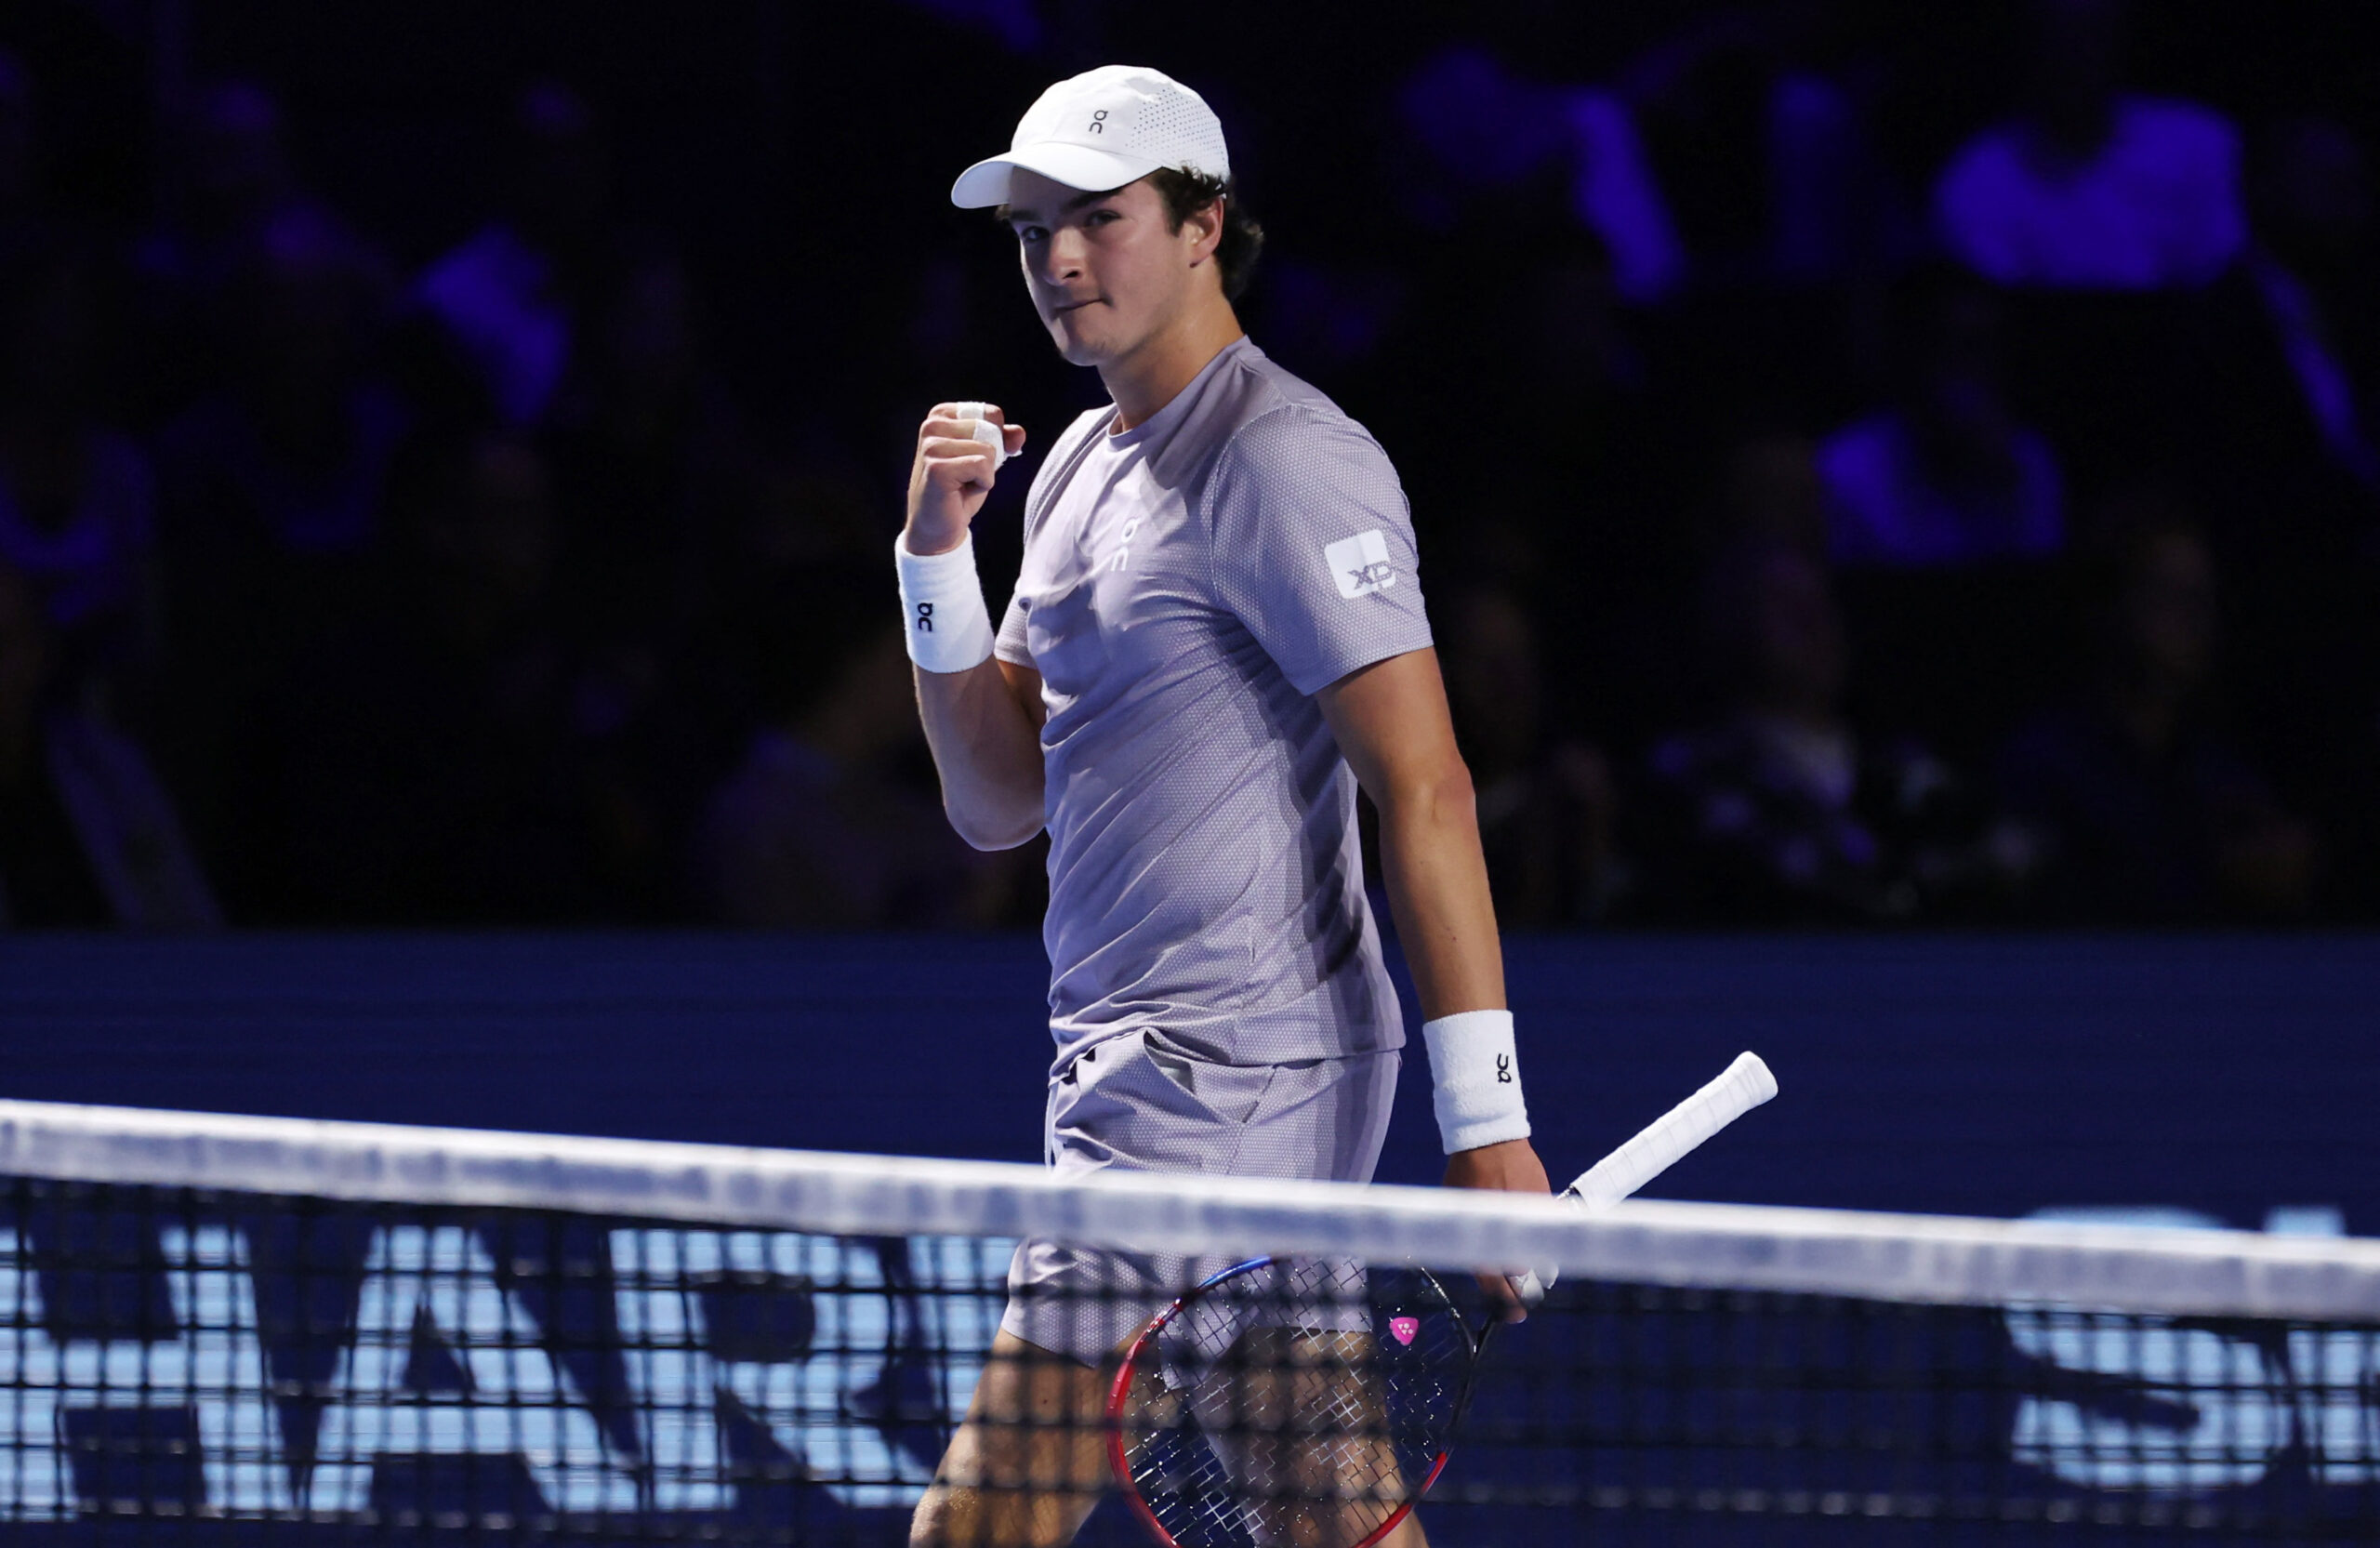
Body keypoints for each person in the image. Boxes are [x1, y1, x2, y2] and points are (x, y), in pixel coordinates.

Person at [892, 65, 1551, 1547]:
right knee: (1326, 1514)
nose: (1059, 260)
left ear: (1205, 227)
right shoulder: (1072, 466)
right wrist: (935, 559)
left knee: (976, 1531)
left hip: (1218, 1074)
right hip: (1153, 1060)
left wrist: (1489, 1124)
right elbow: (997, 801)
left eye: (1100, 220)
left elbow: (1427, 781)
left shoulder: (1285, 459)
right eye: (1031, 229)